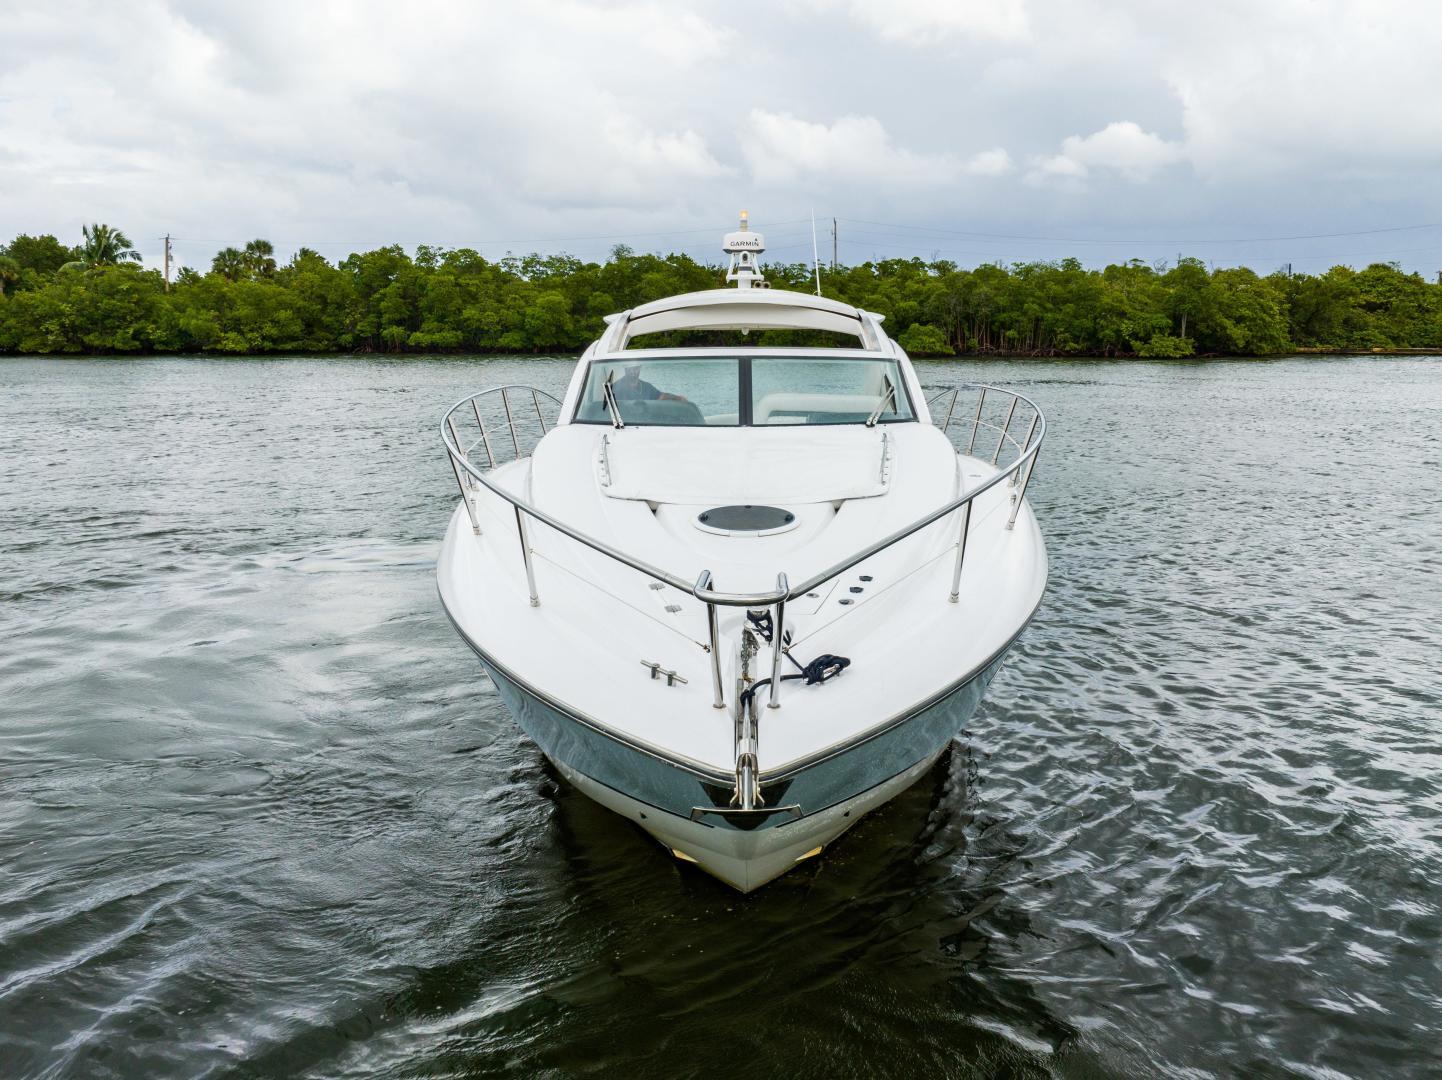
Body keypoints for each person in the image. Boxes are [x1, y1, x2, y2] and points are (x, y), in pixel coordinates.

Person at [612, 364, 686, 402]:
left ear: (640, 368)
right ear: (625, 369)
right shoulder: (616, 387)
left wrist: (677, 398)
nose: (632, 371)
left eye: (635, 368)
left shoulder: (646, 386)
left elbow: (661, 396)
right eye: (630, 369)